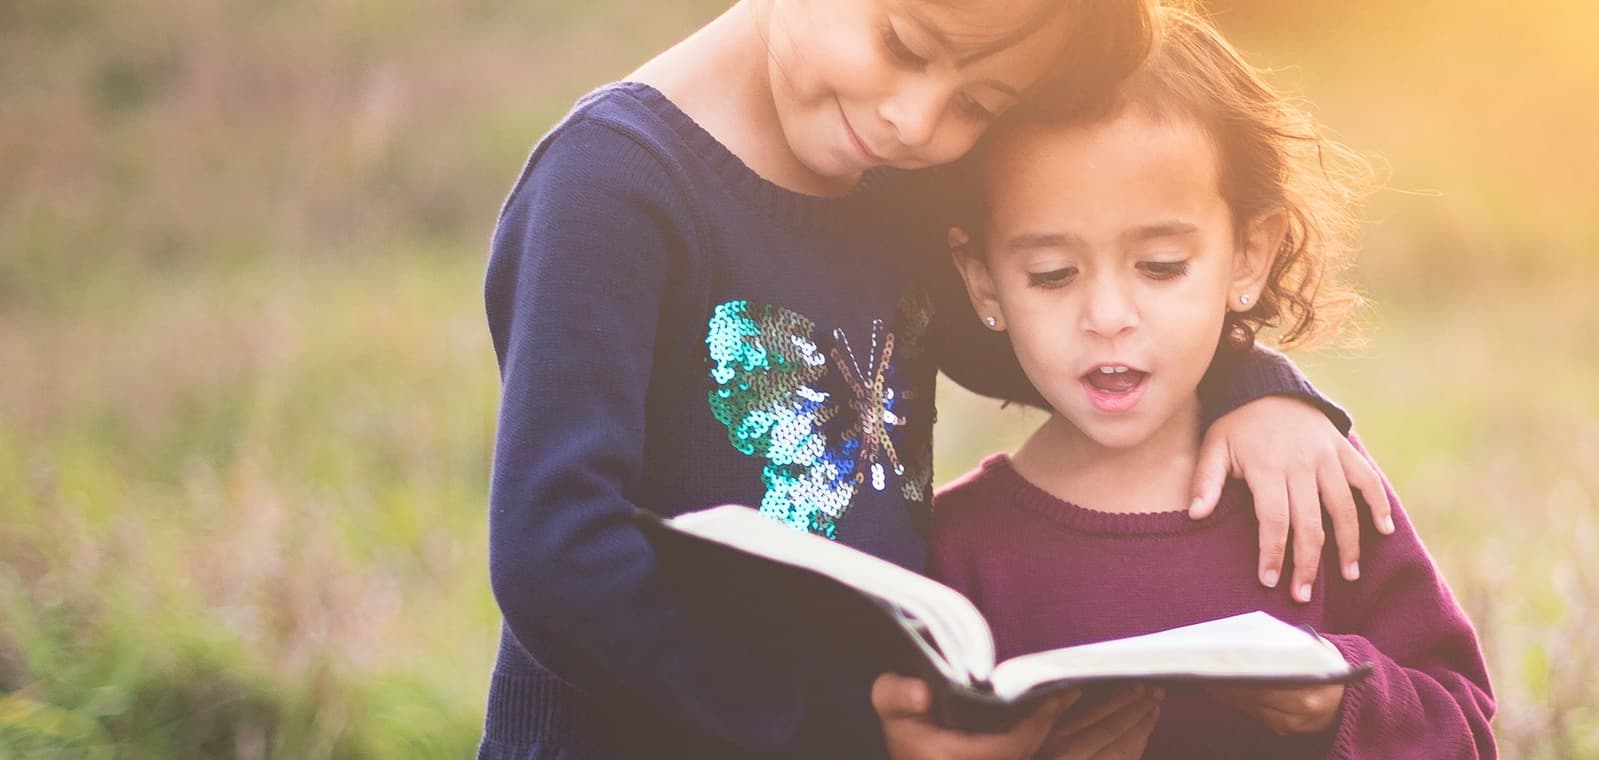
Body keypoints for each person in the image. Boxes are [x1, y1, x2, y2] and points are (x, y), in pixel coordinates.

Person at [481, 0, 1396, 756]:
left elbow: (1079, 349)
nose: (917, 121)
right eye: (903, 44)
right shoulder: (612, 187)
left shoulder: (889, 183)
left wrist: (1260, 390)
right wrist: (849, 730)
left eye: (978, 103)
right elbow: (556, 556)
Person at [931, 7, 1498, 757]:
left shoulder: (1310, 481)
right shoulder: (957, 548)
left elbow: (1463, 724)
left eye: (1161, 266)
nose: (1107, 315)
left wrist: (1338, 695)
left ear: (1248, 257)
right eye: (1052, 274)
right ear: (984, 284)